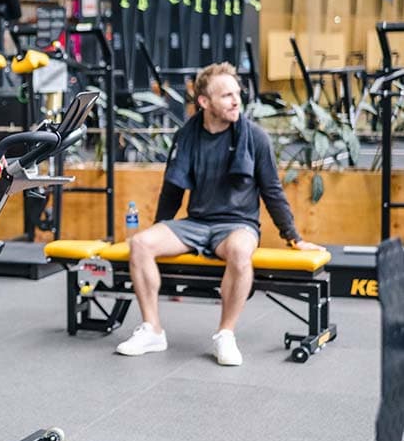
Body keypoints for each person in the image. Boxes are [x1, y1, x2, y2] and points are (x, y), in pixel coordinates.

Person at [114, 61, 322, 365]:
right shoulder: (187, 135)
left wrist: (293, 237)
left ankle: (225, 334)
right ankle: (153, 330)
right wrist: (162, 229)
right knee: (142, 244)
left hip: (238, 225)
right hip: (196, 223)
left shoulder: (255, 138)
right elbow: (172, 189)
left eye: (236, 93)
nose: (236, 100)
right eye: (226, 95)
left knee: (240, 251)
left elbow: (272, 191)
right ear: (204, 102)